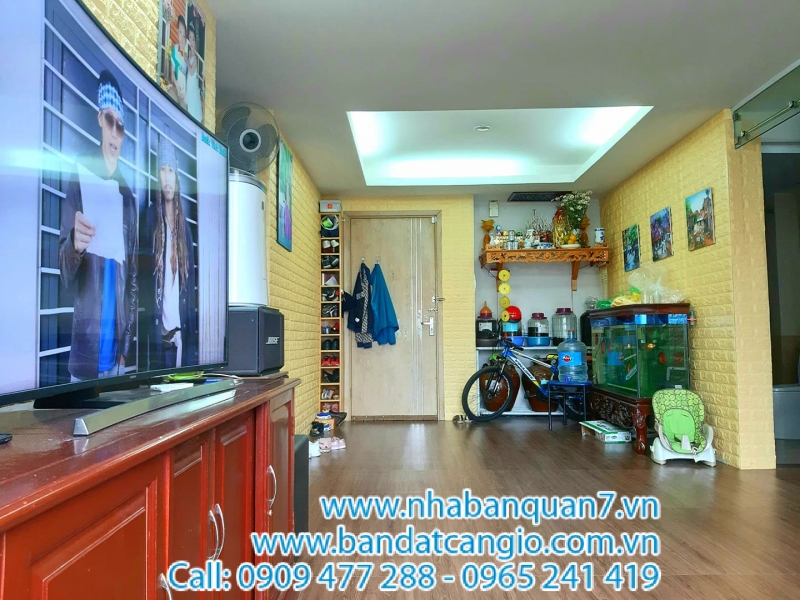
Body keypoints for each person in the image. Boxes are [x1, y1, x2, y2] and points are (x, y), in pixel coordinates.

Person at [59, 70, 138, 381]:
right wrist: (75, 246)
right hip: (84, 357)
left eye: (121, 126)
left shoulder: (128, 197)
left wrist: (125, 349)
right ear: (99, 120)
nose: (115, 132)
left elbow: (133, 280)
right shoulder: (80, 175)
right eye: (110, 121)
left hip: (117, 360)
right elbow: (64, 275)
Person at [147, 137, 198, 369]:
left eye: (171, 171)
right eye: (163, 170)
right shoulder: (150, 219)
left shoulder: (184, 229)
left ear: (177, 178)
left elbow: (190, 287)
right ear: (157, 176)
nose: (167, 177)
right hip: (160, 334)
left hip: (181, 333)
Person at [185, 23, 203, 122]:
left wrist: (187, 61)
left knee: (193, 103)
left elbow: (192, 71)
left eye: (193, 39)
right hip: (189, 83)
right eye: (190, 38)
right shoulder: (189, 53)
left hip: (193, 84)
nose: (191, 42)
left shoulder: (195, 58)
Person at [169, 15, 188, 108]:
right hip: (176, 88)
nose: (182, 38)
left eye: (184, 35)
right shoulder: (175, 49)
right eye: (180, 32)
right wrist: (175, 81)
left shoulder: (187, 57)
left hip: (184, 95)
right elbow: (172, 71)